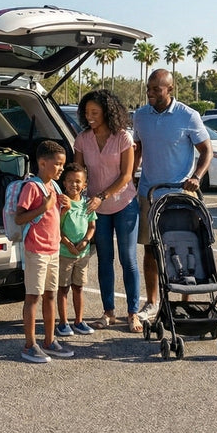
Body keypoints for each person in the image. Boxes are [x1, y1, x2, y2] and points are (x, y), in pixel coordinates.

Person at [132, 68, 212, 322]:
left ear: (170, 89)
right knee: (150, 249)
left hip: (181, 195)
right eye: (148, 88)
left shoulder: (188, 116)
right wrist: (130, 176)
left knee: (187, 246)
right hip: (149, 193)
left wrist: (196, 177)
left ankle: (186, 301)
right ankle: (152, 302)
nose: (150, 93)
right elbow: (139, 148)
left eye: (156, 89)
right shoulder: (140, 116)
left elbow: (207, 151)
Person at [73, 88, 142, 333]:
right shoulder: (82, 139)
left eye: (95, 112)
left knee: (128, 260)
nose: (89, 116)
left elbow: (126, 176)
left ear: (107, 112)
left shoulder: (123, 137)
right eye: (86, 112)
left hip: (124, 204)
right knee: (105, 260)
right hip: (96, 209)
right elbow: (78, 173)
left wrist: (102, 195)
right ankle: (108, 312)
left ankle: (133, 313)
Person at [17, 140, 74, 364]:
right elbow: (19, 217)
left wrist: (65, 208)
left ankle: (50, 340)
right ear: (42, 162)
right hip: (37, 251)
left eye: (63, 165)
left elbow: (55, 220)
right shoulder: (33, 187)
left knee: (51, 294)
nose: (61, 169)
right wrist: (44, 207)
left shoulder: (55, 187)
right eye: (58, 164)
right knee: (33, 297)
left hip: (53, 249)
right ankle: (30, 345)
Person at [54, 162, 97, 337]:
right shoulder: (63, 203)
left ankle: (79, 321)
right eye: (70, 181)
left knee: (78, 287)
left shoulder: (87, 204)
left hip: (82, 254)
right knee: (63, 288)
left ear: (84, 185)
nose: (74, 185)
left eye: (78, 181)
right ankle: (63, 323)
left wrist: (86, 241)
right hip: (65, 253)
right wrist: (67, 243)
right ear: (64, 183)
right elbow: (56, 226)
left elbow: (92, 226)